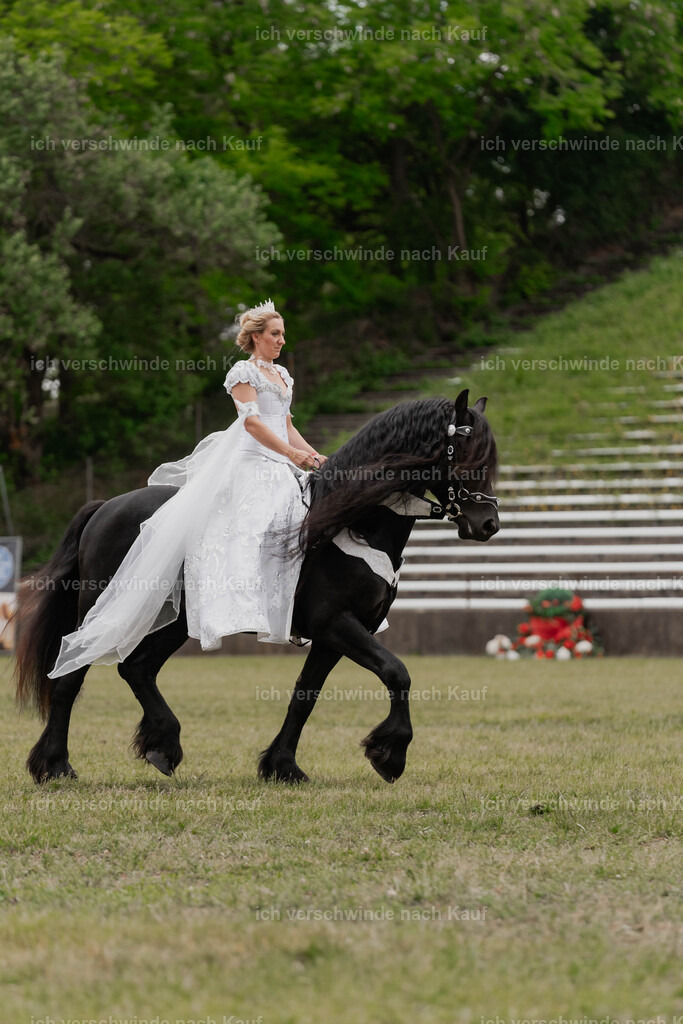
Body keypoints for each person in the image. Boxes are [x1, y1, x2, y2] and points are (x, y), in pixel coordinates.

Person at [47, 300, 325, 678]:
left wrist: (313, 455)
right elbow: (255, 426)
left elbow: (286, 424)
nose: (281, 340)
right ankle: (242, 597)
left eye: (282, 334)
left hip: (282, 459)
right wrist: (293, 454)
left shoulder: (284, 375)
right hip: (251, 461)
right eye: (275, 334)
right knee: (259, 518)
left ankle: (295, 604)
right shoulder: (243, 372)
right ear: (256, 337)